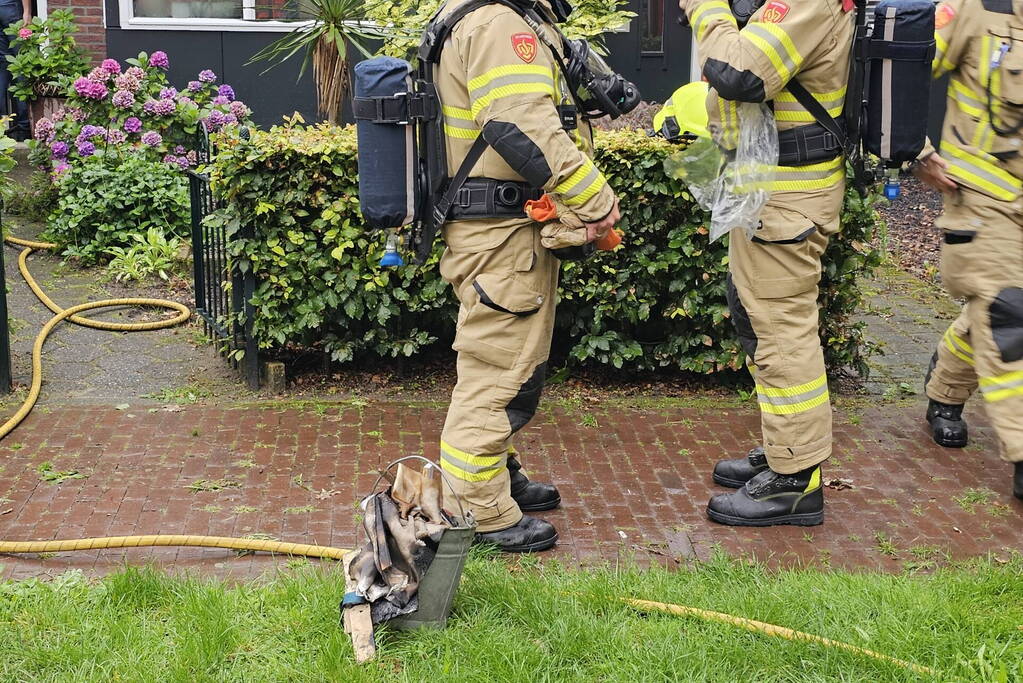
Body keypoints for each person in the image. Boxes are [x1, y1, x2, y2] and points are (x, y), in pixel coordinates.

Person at [431, 0, 620, 551]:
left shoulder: (485, 16)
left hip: (501, 229)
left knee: (509, 361)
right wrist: (594, 198)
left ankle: (498, 474)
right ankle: (478, 508)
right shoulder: (497, 22)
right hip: (501, 237)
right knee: (497, 372)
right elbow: (518, 120)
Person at [677, 0, 855, 526]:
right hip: (770, 195)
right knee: (761, 323)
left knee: (782, 332)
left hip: (789, 201)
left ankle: (795, 482)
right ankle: (785, 449)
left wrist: (706, 8)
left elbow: (737, 72)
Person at [915, 0, 1023, 500]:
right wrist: (913, 151)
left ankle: (945, 387)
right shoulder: (976, 10)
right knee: (1009, 314)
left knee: (991, 313)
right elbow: (904, 67)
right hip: (984, 199)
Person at [0, 0, 30, 140]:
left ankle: (3, 125)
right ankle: (24, 127)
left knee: (3, 67)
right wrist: (27, 12)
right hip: (10, 8)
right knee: (21, 66)